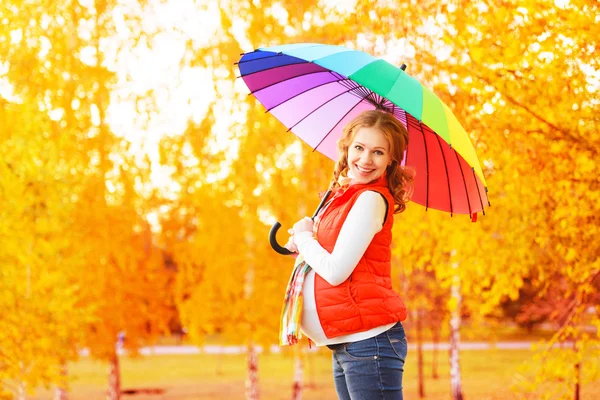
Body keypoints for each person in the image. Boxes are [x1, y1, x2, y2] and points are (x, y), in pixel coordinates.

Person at [281, 110, 414, 400]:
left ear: (391, 159)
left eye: (378, 152)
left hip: (369, 345)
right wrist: (305, 240)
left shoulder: (370, 199)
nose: (366, 160)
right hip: (350, 345)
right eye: (359, 148)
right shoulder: (344, 196)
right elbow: (331, 254)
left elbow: (336, 270)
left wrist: (305, 239)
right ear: (347, 147)